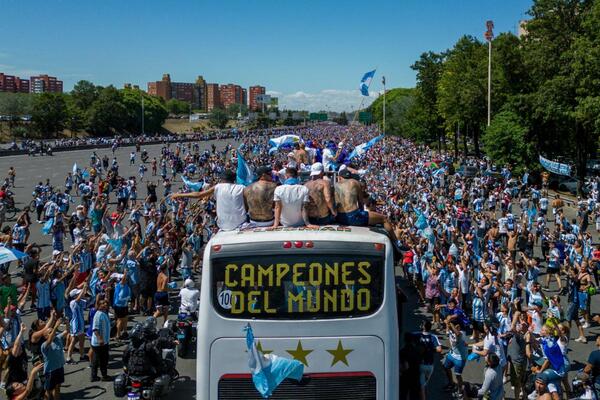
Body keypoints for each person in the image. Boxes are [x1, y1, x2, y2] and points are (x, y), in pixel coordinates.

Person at [171, 169, 246, 231]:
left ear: (223, 179)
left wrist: (178, 195)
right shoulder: (242, 188)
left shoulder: (218, 187)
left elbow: (198, 195)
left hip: (224, 226)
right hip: (241, 224)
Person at [40, 316, 66, 400]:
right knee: (48, 390)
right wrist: (55, 326)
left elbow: (67, 331)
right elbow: (50, 340)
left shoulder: (57, 338)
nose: (53, 333)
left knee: (58, 386)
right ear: (45, 336)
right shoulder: (44, 345)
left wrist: (68, 322)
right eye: (50, 332)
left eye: (53, 332)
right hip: (50, 371)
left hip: (59, 367)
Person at [90, 299, 111, 382]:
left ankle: (94, 376)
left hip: (103, 341)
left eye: (106, 303)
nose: (105, 304)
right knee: (103, 360)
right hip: (100, 343)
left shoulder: (104, 313)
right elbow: (95, 329)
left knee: (96, 359)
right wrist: (100, 339)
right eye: (102, 303)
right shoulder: (98, 315)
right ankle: (104, 376)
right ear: (98, 305)